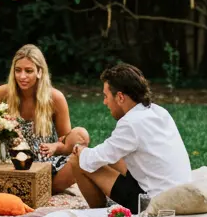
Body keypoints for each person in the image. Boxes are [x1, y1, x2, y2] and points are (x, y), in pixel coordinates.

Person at [54, 62, 191, 208]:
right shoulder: (158, 111)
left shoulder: (131, 123)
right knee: (112, 157)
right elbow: (108, 153)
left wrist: (78, 149)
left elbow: (92, 160)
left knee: (78, 161)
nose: (105, 102)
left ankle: (98, 212)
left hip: (153, 203)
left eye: (106, 96)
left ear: (120, 97)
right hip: (180, 193)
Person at [0, 43, 89, 194]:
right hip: (10, 164)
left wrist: (56, 147)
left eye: (28, 71)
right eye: (18, 70)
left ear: (40, 72)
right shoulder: (2, 93)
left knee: (81, 152)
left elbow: (66, 141)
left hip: (46, 166)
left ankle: (35, 188)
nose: (22, 76)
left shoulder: (55, 98)